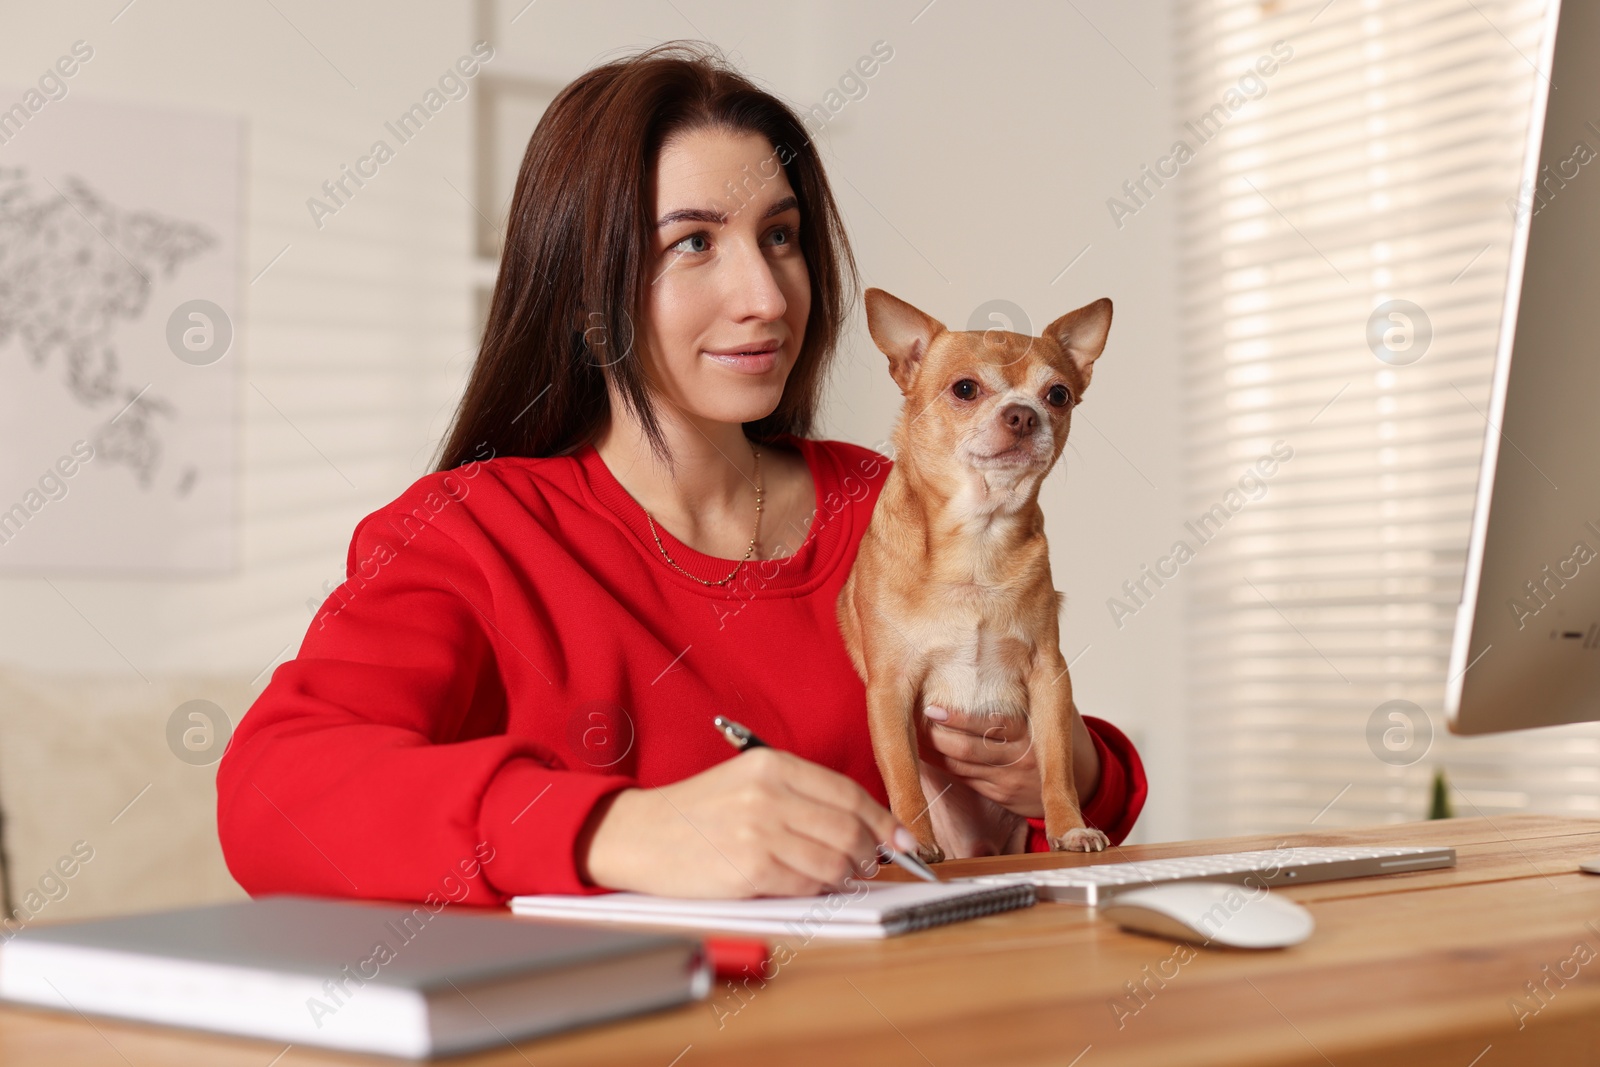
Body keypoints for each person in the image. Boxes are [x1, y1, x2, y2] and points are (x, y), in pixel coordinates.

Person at [216, 41, 1146, 907]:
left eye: (780, 236)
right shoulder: (471, 533)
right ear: (589, 294)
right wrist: (620, 828)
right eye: (694, 242)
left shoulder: (895, 499)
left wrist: (1067, 773)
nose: (767, 296)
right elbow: (274, 796)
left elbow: (1061, 772)